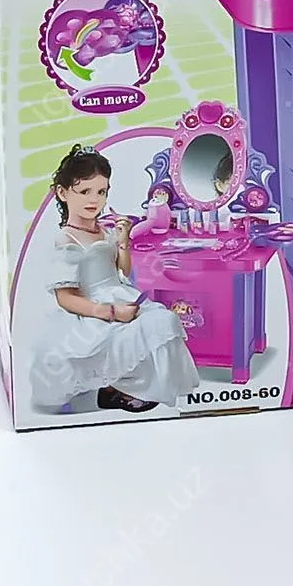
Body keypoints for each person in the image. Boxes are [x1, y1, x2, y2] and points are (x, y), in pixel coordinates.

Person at [29, 144, 199, 414]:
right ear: (62, 193)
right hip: (93, 306)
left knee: (164, 320)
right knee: (142, 330)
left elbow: (123, 271)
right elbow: (66, 298)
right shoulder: (66, 240)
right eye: (84, 191)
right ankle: (116, 388)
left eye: (101, 191)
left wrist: (123, 241)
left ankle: (134, 388)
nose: (94, 200)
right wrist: (110, 312)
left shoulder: (103, 229)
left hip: (119, 292)